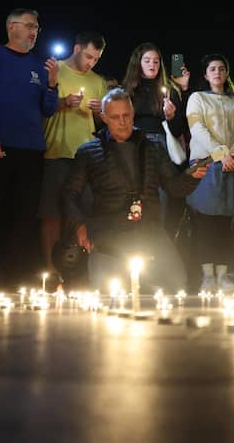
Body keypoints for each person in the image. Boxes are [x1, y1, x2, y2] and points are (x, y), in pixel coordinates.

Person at [62, 88, 208, 293]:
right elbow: (69, 193)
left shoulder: (152, 147)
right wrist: (79, 225)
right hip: (108, 236)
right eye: (115, 117)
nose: (122, 122)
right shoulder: (89, 152)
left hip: (149, 232)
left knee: (176, 285)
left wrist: (192, 176)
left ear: (133, 113)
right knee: (111, 294)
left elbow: (174, 188)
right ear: (104, 118)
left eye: (126, 115)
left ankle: (146, 284)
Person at [0, 8, 58, 288]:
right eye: (29, 25)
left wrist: (52, 84)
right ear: (11, 27)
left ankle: (17, 277)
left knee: (24, 213)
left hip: (32, 149)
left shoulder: (38, 64)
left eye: (37, 27)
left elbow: (47, 109)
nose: (34, 31)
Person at [39, 31, 107, 282]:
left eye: (96, 59)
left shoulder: (97, 81)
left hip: (87, 155)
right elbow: (40, 107)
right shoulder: (55, 70)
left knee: (86, 212)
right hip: (56, 149)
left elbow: (102, 123)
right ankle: (50, 271)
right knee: (52, 213)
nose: (91, 62)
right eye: (88, 56)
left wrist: (101, 112)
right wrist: (64, 102)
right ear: (77, 48)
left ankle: (85, 271)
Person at [185, 54, 234, 292]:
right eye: (212, 69)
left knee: (226, 221)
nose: (217, 72)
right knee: (204, 221)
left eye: (222, 68)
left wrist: (232, 156)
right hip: (206, 164)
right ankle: (207, 276)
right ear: (205, 74)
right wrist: (220, 153)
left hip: (231, 166)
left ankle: (223, 275)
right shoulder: (197, 98)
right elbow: (197, 127)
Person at [122, 43, 189, 238]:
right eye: (147, 60)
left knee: (161, 198)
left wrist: (171, 116)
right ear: (138, 63)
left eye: (156, 61)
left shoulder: (169, 91)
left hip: (162, 147)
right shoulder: (127, 90)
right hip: (135, 147)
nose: (152, 64)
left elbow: (178, 130)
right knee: (135, 196)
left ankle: (160, 242)